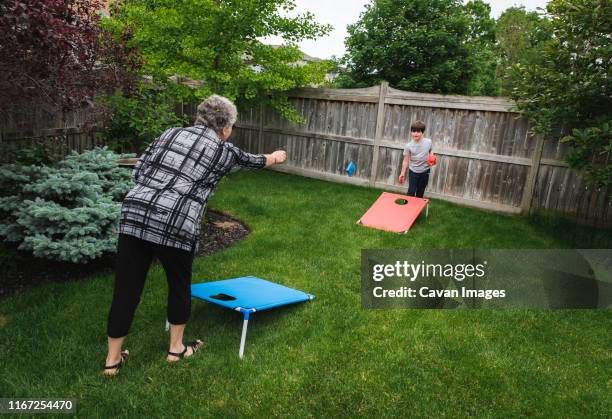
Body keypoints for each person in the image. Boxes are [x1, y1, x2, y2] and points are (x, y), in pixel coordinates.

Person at [103, 95, 287, 375]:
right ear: (225, 127)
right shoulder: (225, 151)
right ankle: (176, 350)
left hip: (135, 213)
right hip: (176, 222)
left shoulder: (169, 133)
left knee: (126, 289)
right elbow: (256, 161)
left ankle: (112, 361)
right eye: (232, 127)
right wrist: (275, 157)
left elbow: (140, 168)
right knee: (179, 284)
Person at [398, 120, 434, 198]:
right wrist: (402, 173)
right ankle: (406, 208)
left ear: (422, 132)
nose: (415, 133)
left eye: (418, 131)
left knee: (420, 192)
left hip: (425, 171)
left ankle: (417, 210)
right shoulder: (408, 146)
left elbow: (430, 151)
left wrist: (432, 157)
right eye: (413, 131)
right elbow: (405, 160)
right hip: (413, 171)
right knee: (411, 191)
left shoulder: (428, 142)